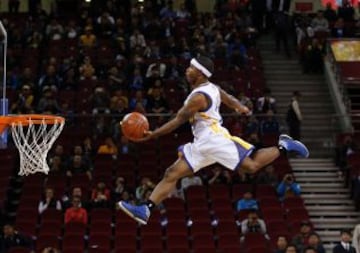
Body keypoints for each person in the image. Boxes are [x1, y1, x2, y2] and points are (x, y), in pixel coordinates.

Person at [117, 55, 309, 225]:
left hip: (215, 139)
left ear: (200, 73)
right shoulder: (211, 87)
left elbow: (178, 120)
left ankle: (284, 145)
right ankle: (146, 210)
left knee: (251, 167)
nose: (187, 70)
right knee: (171, 173)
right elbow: (227, 97)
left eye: (191, 68)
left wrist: (153, 134)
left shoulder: (198, 98)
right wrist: (239, 106)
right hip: (201, 143)